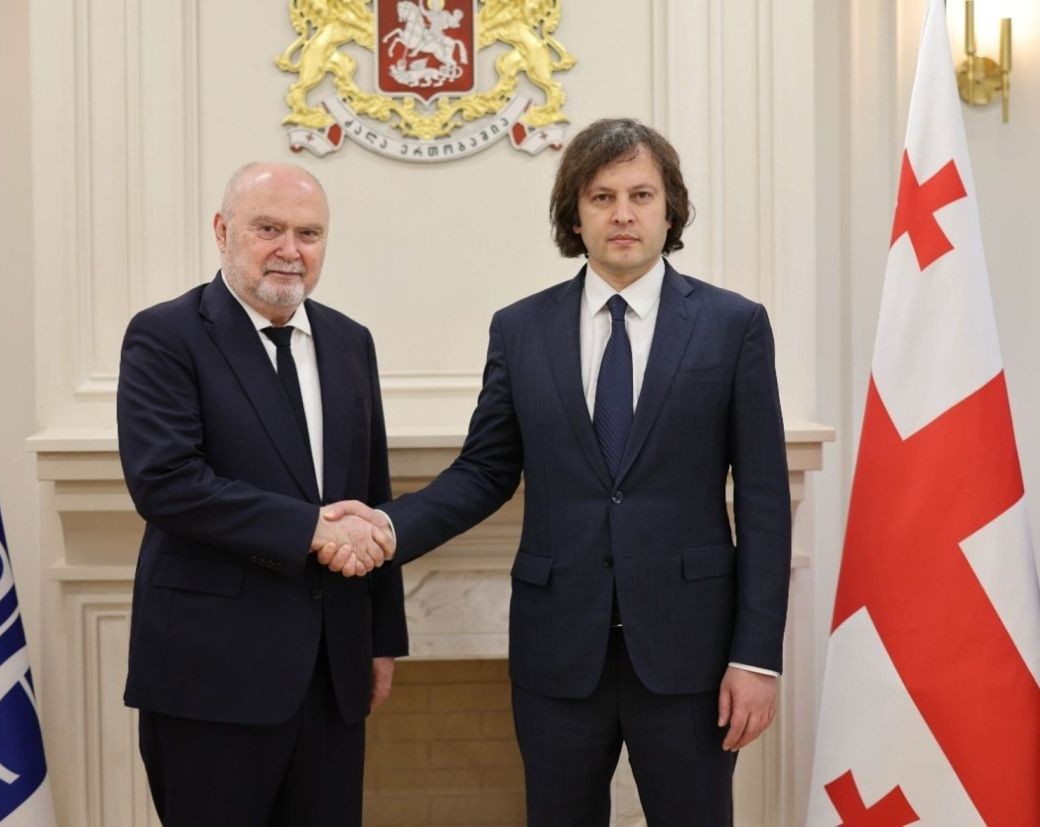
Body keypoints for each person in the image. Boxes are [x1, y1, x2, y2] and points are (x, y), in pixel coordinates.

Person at [325, 118, 790, 825]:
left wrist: (757, 657)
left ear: (672, 209)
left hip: (690, 652)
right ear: (576, 214)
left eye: (642, 194)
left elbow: (762, 500)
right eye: (602, 196)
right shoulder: (521, 328)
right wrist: (387, 525)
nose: (624, 213)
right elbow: (484, 472)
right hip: (557, 650)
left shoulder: (733, 326)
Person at [117, 161, 407, 826]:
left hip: (333, 675)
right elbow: (167, 482)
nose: (290, 249)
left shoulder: (348, 342)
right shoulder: (166, 335)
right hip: (209, 677)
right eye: (268, 228)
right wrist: (312, 528)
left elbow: (372, 491)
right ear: (222, 231)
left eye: (309, 232)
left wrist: (380, 636)